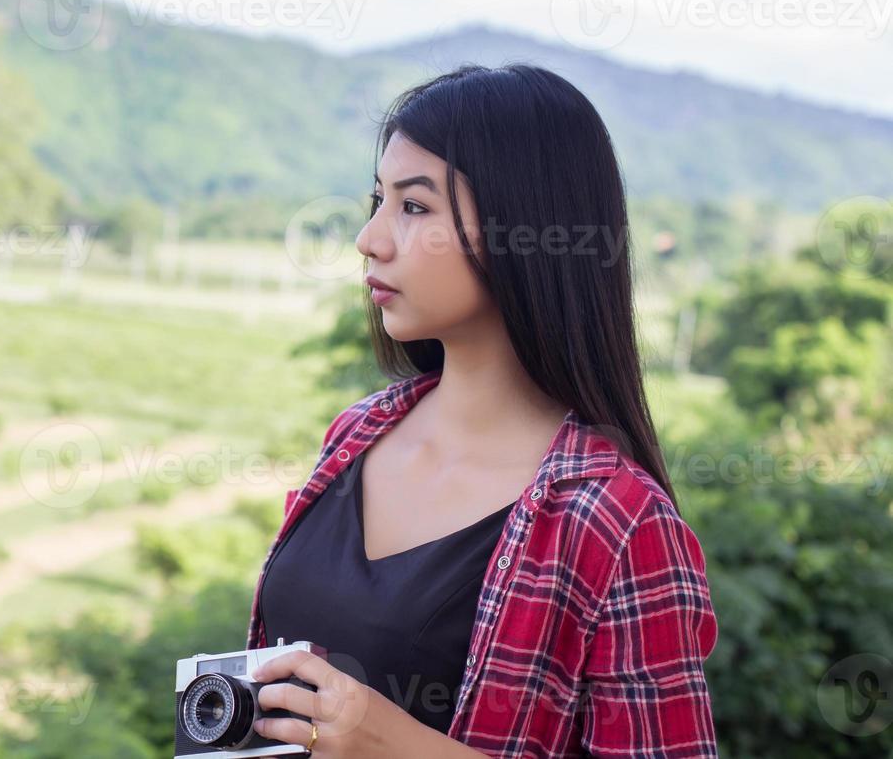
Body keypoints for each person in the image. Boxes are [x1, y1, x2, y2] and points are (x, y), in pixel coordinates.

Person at [243, 64, 718, 757]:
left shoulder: (617, 523)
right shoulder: (357, 433)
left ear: (521, 228)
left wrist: (394, 744)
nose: (369, 239)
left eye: (414, 207)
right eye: (378, 200)